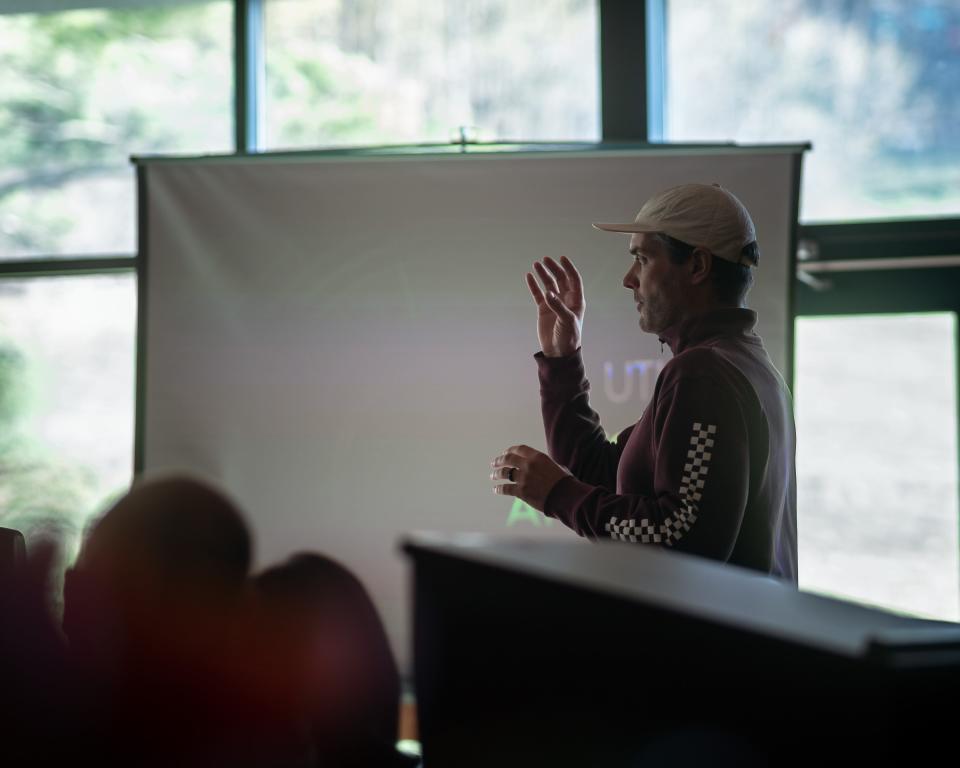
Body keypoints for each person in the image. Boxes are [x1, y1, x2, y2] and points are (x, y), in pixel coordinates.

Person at [490, 182, 797, 582]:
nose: (628, 279)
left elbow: (681, 539)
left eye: (643, 259)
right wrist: (561, 360)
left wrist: (559, 494)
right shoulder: (742, 363)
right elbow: (597, 469)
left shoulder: (704, 375)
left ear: (698, 266)